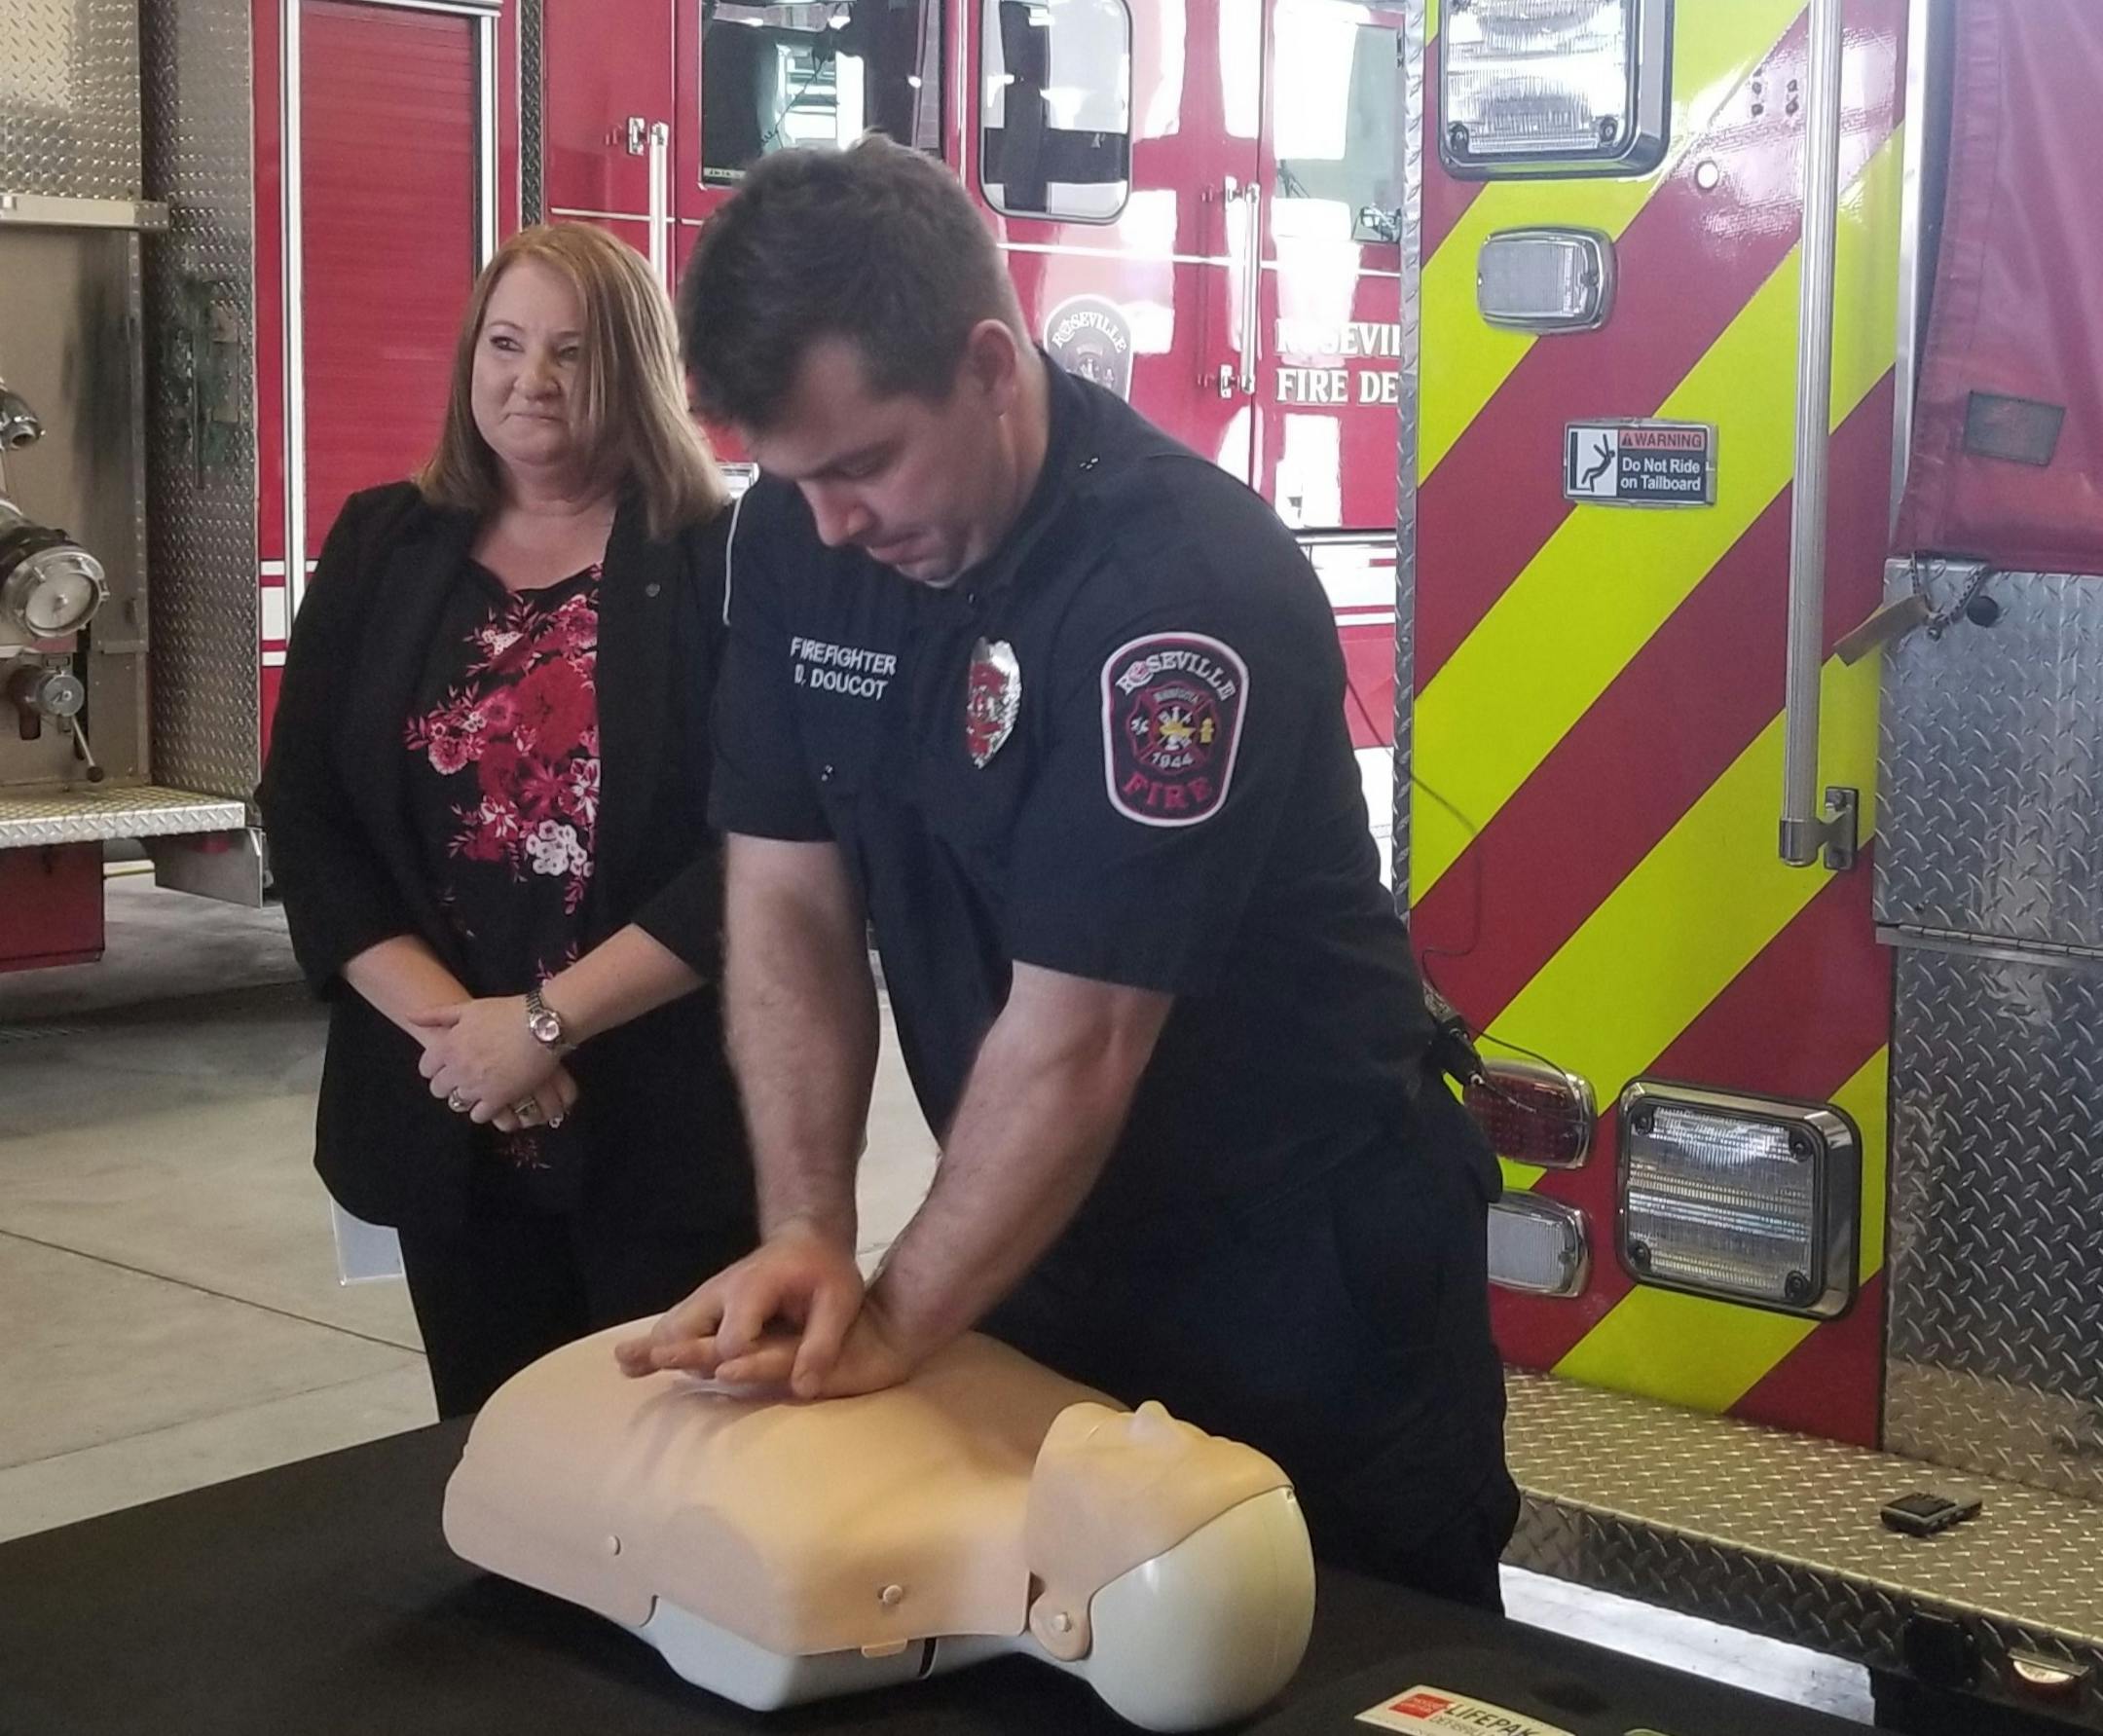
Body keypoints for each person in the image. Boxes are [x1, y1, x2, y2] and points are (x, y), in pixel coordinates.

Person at [617, 137, 1517, 1607]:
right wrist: (807, 1227)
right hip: (1036, 1236)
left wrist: (899, 1316)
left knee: (1342, 1658)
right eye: (792, 475)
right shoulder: (797, 533)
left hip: (1296, 1269)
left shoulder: (1174, 590)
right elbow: (786, 899)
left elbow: (1082, 1032)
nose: (833, 520)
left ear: (989, 363)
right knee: (1065, 1639)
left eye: (862, 462)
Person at [259, 223, 756, 1419]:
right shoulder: (383, 540)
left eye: (570, 353)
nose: (529, 380)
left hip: (657, 1114)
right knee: (493, 1460)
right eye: (505, 342)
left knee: (670, 1465)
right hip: (453, 1110)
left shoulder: (722, 559)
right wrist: (472, 1043)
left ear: (633, 369)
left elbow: (763, 851)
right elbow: (309, 810)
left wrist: (547, 1024)